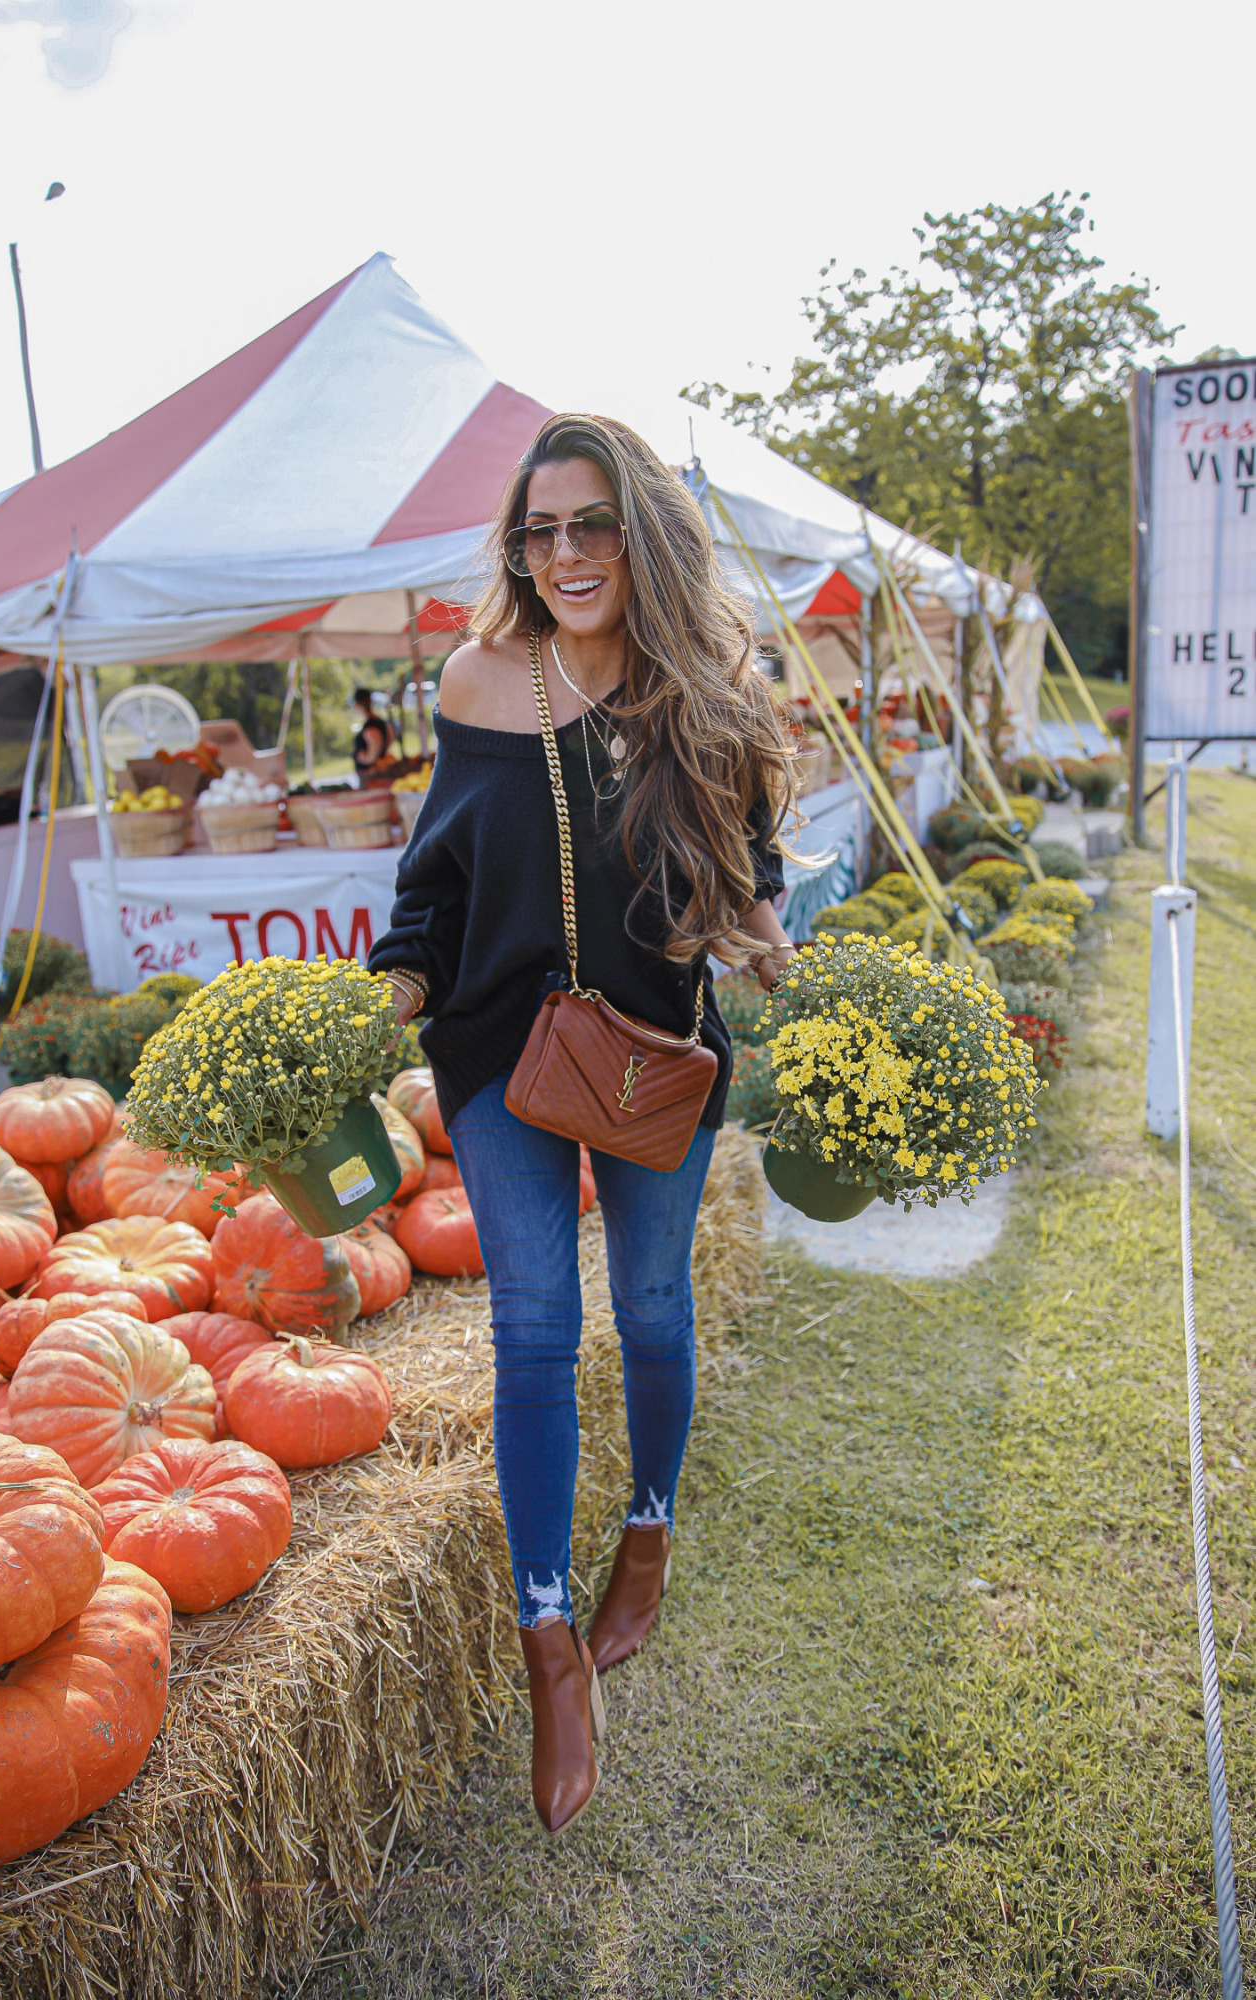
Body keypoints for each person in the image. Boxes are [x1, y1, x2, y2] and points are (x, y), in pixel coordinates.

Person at [368, 414, 796, 1835]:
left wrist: (760, 940)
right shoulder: (477, 677)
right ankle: (546, 1635)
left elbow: (756, 873)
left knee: (656, 1312)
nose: (564, 554)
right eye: (539, 530)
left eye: (592, 523)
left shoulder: (707, 692)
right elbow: (431, 884)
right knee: (536, 1329)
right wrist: (390, 993)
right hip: (499, 1052)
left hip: (653, 1062)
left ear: (643, 533)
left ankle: (649, 1535)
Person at [351, 688, 394, 783]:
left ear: (357, 704)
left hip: (371, 774)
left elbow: (375, 742)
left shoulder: (371, 725)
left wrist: (368, 759)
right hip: (377, 770)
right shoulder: (380, 722)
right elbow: (391, 737)